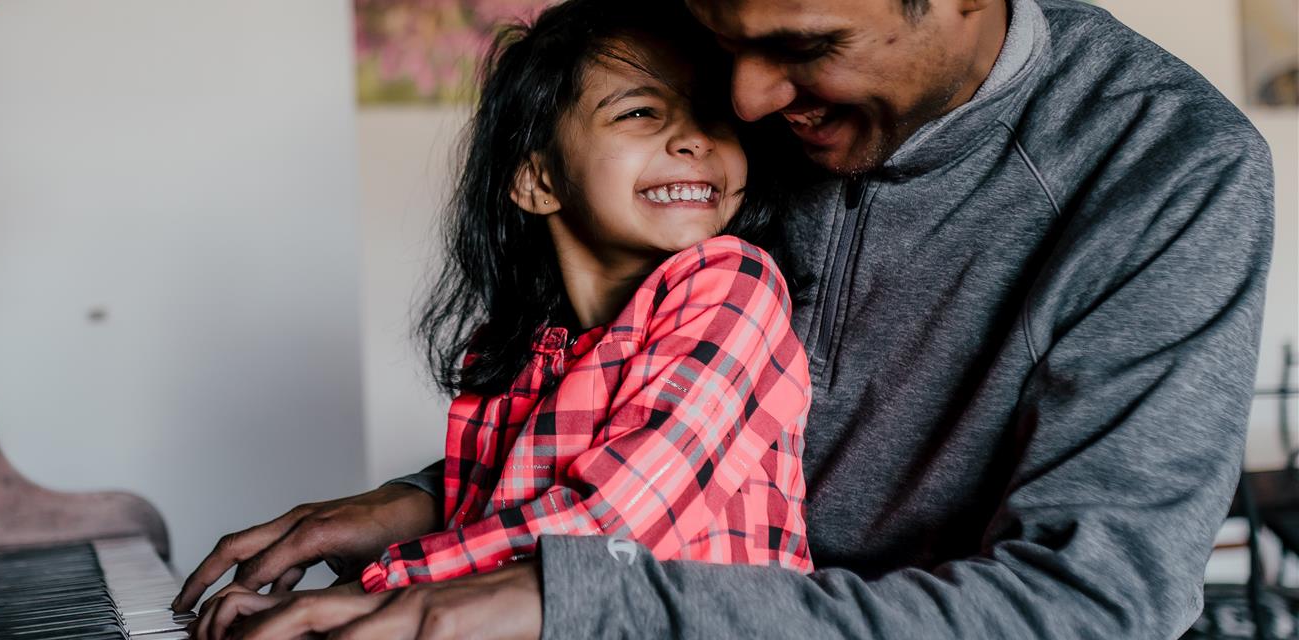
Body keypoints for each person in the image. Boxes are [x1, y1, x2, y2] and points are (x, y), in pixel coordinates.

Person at [176, 0, 1278, 636]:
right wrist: (414, 501)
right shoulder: (745, 116)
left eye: (803, 46)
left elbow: (1091, 610)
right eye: (718, 32)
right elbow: (658, 415)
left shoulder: (1169, 169)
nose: (743, 107)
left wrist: (553, 601)